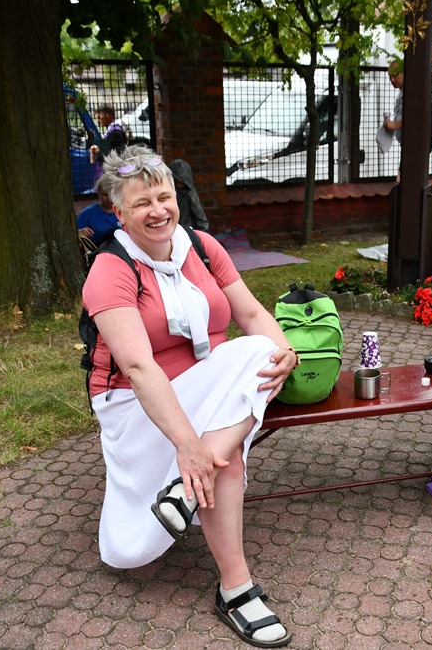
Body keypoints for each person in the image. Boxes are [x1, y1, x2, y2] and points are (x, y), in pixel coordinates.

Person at [82, 145, 295, 647]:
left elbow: (253, 315)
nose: (158, 211)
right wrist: (187, 445)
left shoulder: (201, 246)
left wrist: (287, 352)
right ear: (119, 213)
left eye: (164, 197)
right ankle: (196, 478)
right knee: (227, 431)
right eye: (141, 203)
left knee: (260, 357)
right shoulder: (110, 269)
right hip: (136, 406)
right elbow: (138, 368)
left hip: (209, 386)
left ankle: (232, 582)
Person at [89, 104, 128, 182]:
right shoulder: (113, 130)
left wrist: (98, 151)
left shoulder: (115, 132)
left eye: (99, 117)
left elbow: (114, 155)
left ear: (107, 116)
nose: (98, 121)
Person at [76, 181, 121, 248]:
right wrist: (82, 233)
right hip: (97, 248)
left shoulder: (123, 211)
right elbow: (76, 233)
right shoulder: (87, 213)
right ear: (98, 193)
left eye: (112, 195)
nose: (109, 199)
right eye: (105, 195)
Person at [169, 159, 210, 232]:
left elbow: (200, 218)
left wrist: (204, 234)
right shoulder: (171, 191)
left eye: (181, 182)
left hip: (188, 230)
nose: (178, 185)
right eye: (176, 181)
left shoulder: (190, 193)